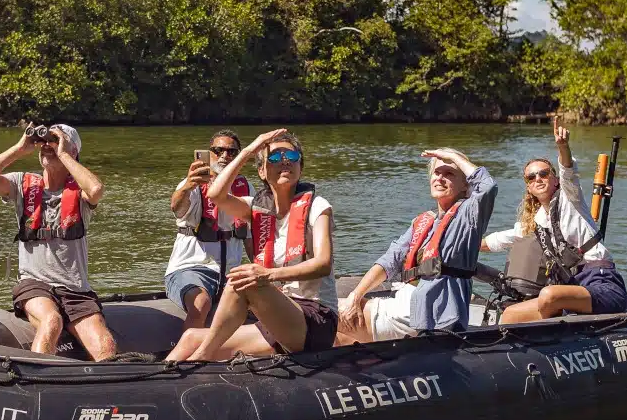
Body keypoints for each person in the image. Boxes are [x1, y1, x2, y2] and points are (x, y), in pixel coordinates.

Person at [166, 129, 338, 361]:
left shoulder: (318, 207)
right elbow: (216, 194)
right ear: (262, 170)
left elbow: (323, 263)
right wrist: (248, 150)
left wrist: (267, 275)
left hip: (313, 320)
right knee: (189, 339)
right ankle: (159, 380)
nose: (285, 162)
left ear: (301, 166)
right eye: (275, 158)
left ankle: (201, 358)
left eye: (292, 157)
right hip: (277, 317)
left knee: (245, 279)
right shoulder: (256, 208)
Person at [0, 123, 117, 360]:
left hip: (75, 289)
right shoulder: (22, 184)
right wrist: (19, 149)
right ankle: (38, 380)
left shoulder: (80, 189)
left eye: (55, 142)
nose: (48, 147)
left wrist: (64, 152)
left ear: (72, 151)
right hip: (35, 283)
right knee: (52, 321)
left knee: (105, 345)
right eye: (44, 144)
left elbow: (96, 190)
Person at [338, 148, 497, 342]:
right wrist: (355, 296)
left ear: (465, 185)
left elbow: (487, 187)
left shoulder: (468, 217)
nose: (440, 178)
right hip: (405, 303)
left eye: (449, 174)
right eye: (437, 173)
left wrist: (454, 157)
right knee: (339, 327)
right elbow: (391, 260)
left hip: (430, 315)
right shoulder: (423, 222)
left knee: (324, 315)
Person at [481, 117, 627, 322]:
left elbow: (569, 172)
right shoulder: (538, 221)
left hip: (600, 282)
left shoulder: (570, 198)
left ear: (555, 179)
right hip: (572, 287)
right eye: (531, 177)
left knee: (549, 295)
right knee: (510, 314)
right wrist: (464, 246)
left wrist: (563, 147)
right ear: (529, 188)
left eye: (543, 173)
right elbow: (500, 240)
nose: (538, 178)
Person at [165, 130, 253, 329]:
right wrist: (187, 186)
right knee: (201, 302)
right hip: (190, 269)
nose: (224, 156)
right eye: (218, 150)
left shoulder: (246, 189)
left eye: (231, 152)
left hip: (230, 274)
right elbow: (177, 209)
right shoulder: (194, 184)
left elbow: (251, 238)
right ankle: (186, 358)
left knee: (262, 302)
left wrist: (269, 273)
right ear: (209, 153)